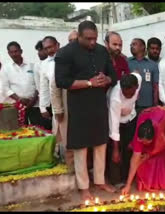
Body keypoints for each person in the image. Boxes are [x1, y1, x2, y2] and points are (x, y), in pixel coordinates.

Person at [54, 20, 117, 200]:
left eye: (94, 39)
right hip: (79, 107)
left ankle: (99, 180)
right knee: (80, 148)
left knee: (100, 144)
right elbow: (62, 82)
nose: (92, 42)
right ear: (79, 36)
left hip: (98, 105)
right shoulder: (65, 53)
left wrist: (106, 79)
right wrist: (89, 83)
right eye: (88, 39)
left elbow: (113, 75)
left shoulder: (102, 51)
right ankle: (83, 187)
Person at [121, 106, 165, 195]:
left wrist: (149, 154)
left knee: (159, 158)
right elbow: (134, 161)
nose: (144, 144)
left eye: (147, 142)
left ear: (153, 138)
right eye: (143, 142)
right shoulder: (139, 136)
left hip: (163, 119)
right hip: (148, 117)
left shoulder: (161, 130)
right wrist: (128, 185)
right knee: (140, 159)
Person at [107, 73, 142, 186]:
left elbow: (137, 73)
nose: (127, 96)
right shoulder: (115, 99)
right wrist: (116, 149)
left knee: (129, 148)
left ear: (136, 87)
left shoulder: (138, 80)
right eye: (125, 94)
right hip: (118, 121)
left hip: (131, 118)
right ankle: (116, 180)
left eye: (130, 94)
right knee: (115, 153)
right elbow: (114, 126)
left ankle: (128, 177)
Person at [0, 41, 40, 126]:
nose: (14, 54)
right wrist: (20, 99)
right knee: (19, 131)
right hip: (16, 106)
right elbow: (5, 89)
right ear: (8, 53)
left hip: (34, 104)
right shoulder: (6, 68)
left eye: (16, 51)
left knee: (38, 129)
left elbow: (38, 85)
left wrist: (33, 100)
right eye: (11, 52)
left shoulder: (32, 65)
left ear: (21, 51)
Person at [128, 38, 159, 115]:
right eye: (131, 45)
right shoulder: (126, 62)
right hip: (129, 105)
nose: (132, 46)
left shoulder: (153, 65)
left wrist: (155, 105)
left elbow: (155, 87)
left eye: (134, 44)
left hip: (147, 105)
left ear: (142, 47)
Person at [39, 36, 60, 130]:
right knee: (57, 129)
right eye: (46, 48)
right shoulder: (44, 64)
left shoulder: (66, 58)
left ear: (57, 45)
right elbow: (43, 87)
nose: (49, 50)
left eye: (51, 47)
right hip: (54, 102)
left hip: (69, 100)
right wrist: (42, 107)